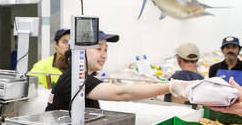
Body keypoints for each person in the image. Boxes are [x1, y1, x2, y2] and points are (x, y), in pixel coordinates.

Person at [46, 31, 190, 111]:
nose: (104, 55)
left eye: (105, 50)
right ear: (80, 50)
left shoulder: (81, 78)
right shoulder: (74, 79)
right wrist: (169, 87)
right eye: (98, 49)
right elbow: (121, 93)